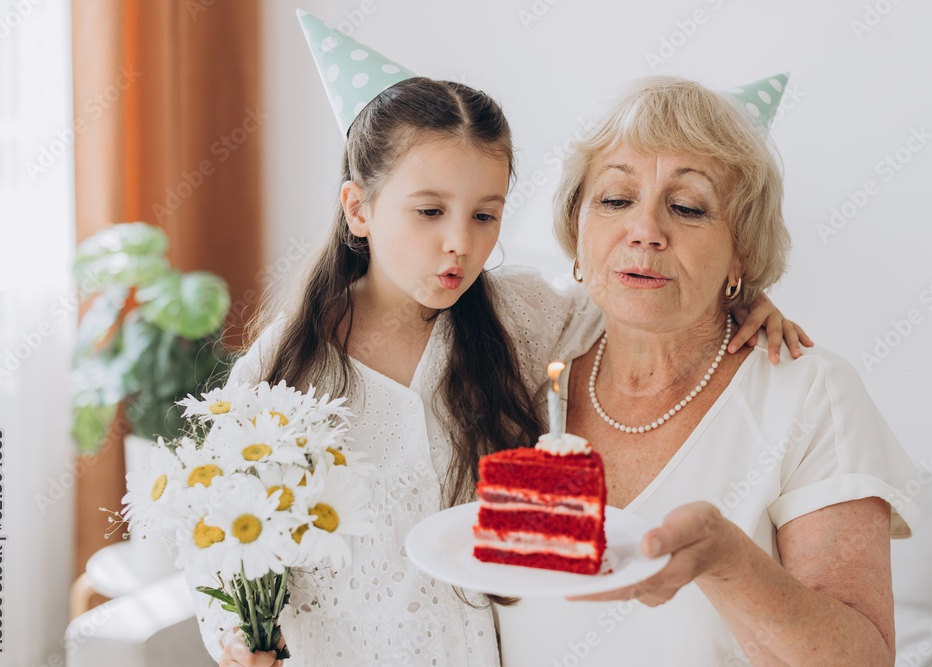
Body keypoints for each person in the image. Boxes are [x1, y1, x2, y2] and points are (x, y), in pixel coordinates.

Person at [189, 15, 808, 667]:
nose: (460, 241)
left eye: (485, 214)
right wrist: (234, 636)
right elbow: (221, 534)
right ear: (359, 208)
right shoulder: (284, 367)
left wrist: (736, 296)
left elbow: (632, 295)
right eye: (430, 212)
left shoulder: (518, 316)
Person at [493, 75, 920, 666]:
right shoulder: (524, 349)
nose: (645, 230)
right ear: (576, 231)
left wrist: (727, 561)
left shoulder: (810, 392)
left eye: (688, 207)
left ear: (740, 251)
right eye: (615, 200)